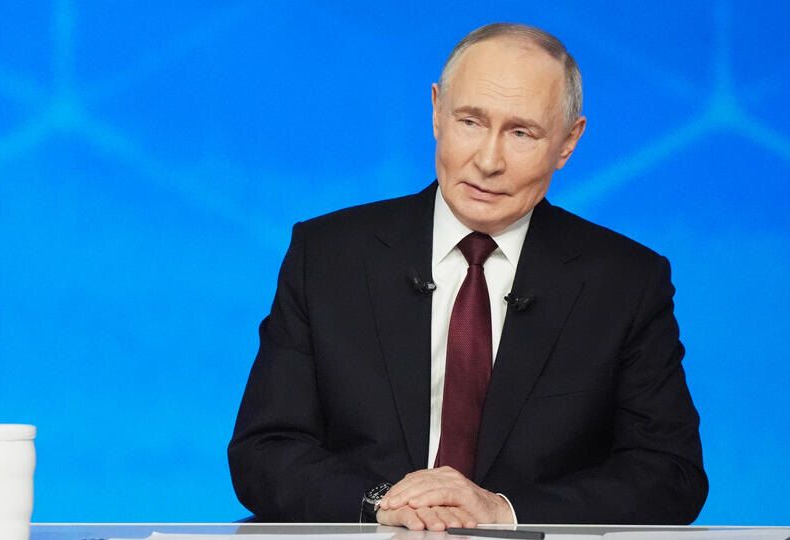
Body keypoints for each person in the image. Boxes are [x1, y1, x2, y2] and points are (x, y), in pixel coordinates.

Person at [228, 23, 708, 529]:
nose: (488, 161)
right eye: (471, 122)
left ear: (568, 142)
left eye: (521, 133)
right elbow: (264, 450)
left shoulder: (625, 282)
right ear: (437, 111)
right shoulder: (328, 256)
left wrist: (504, 513)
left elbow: (670, 473)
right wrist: (383, 504)